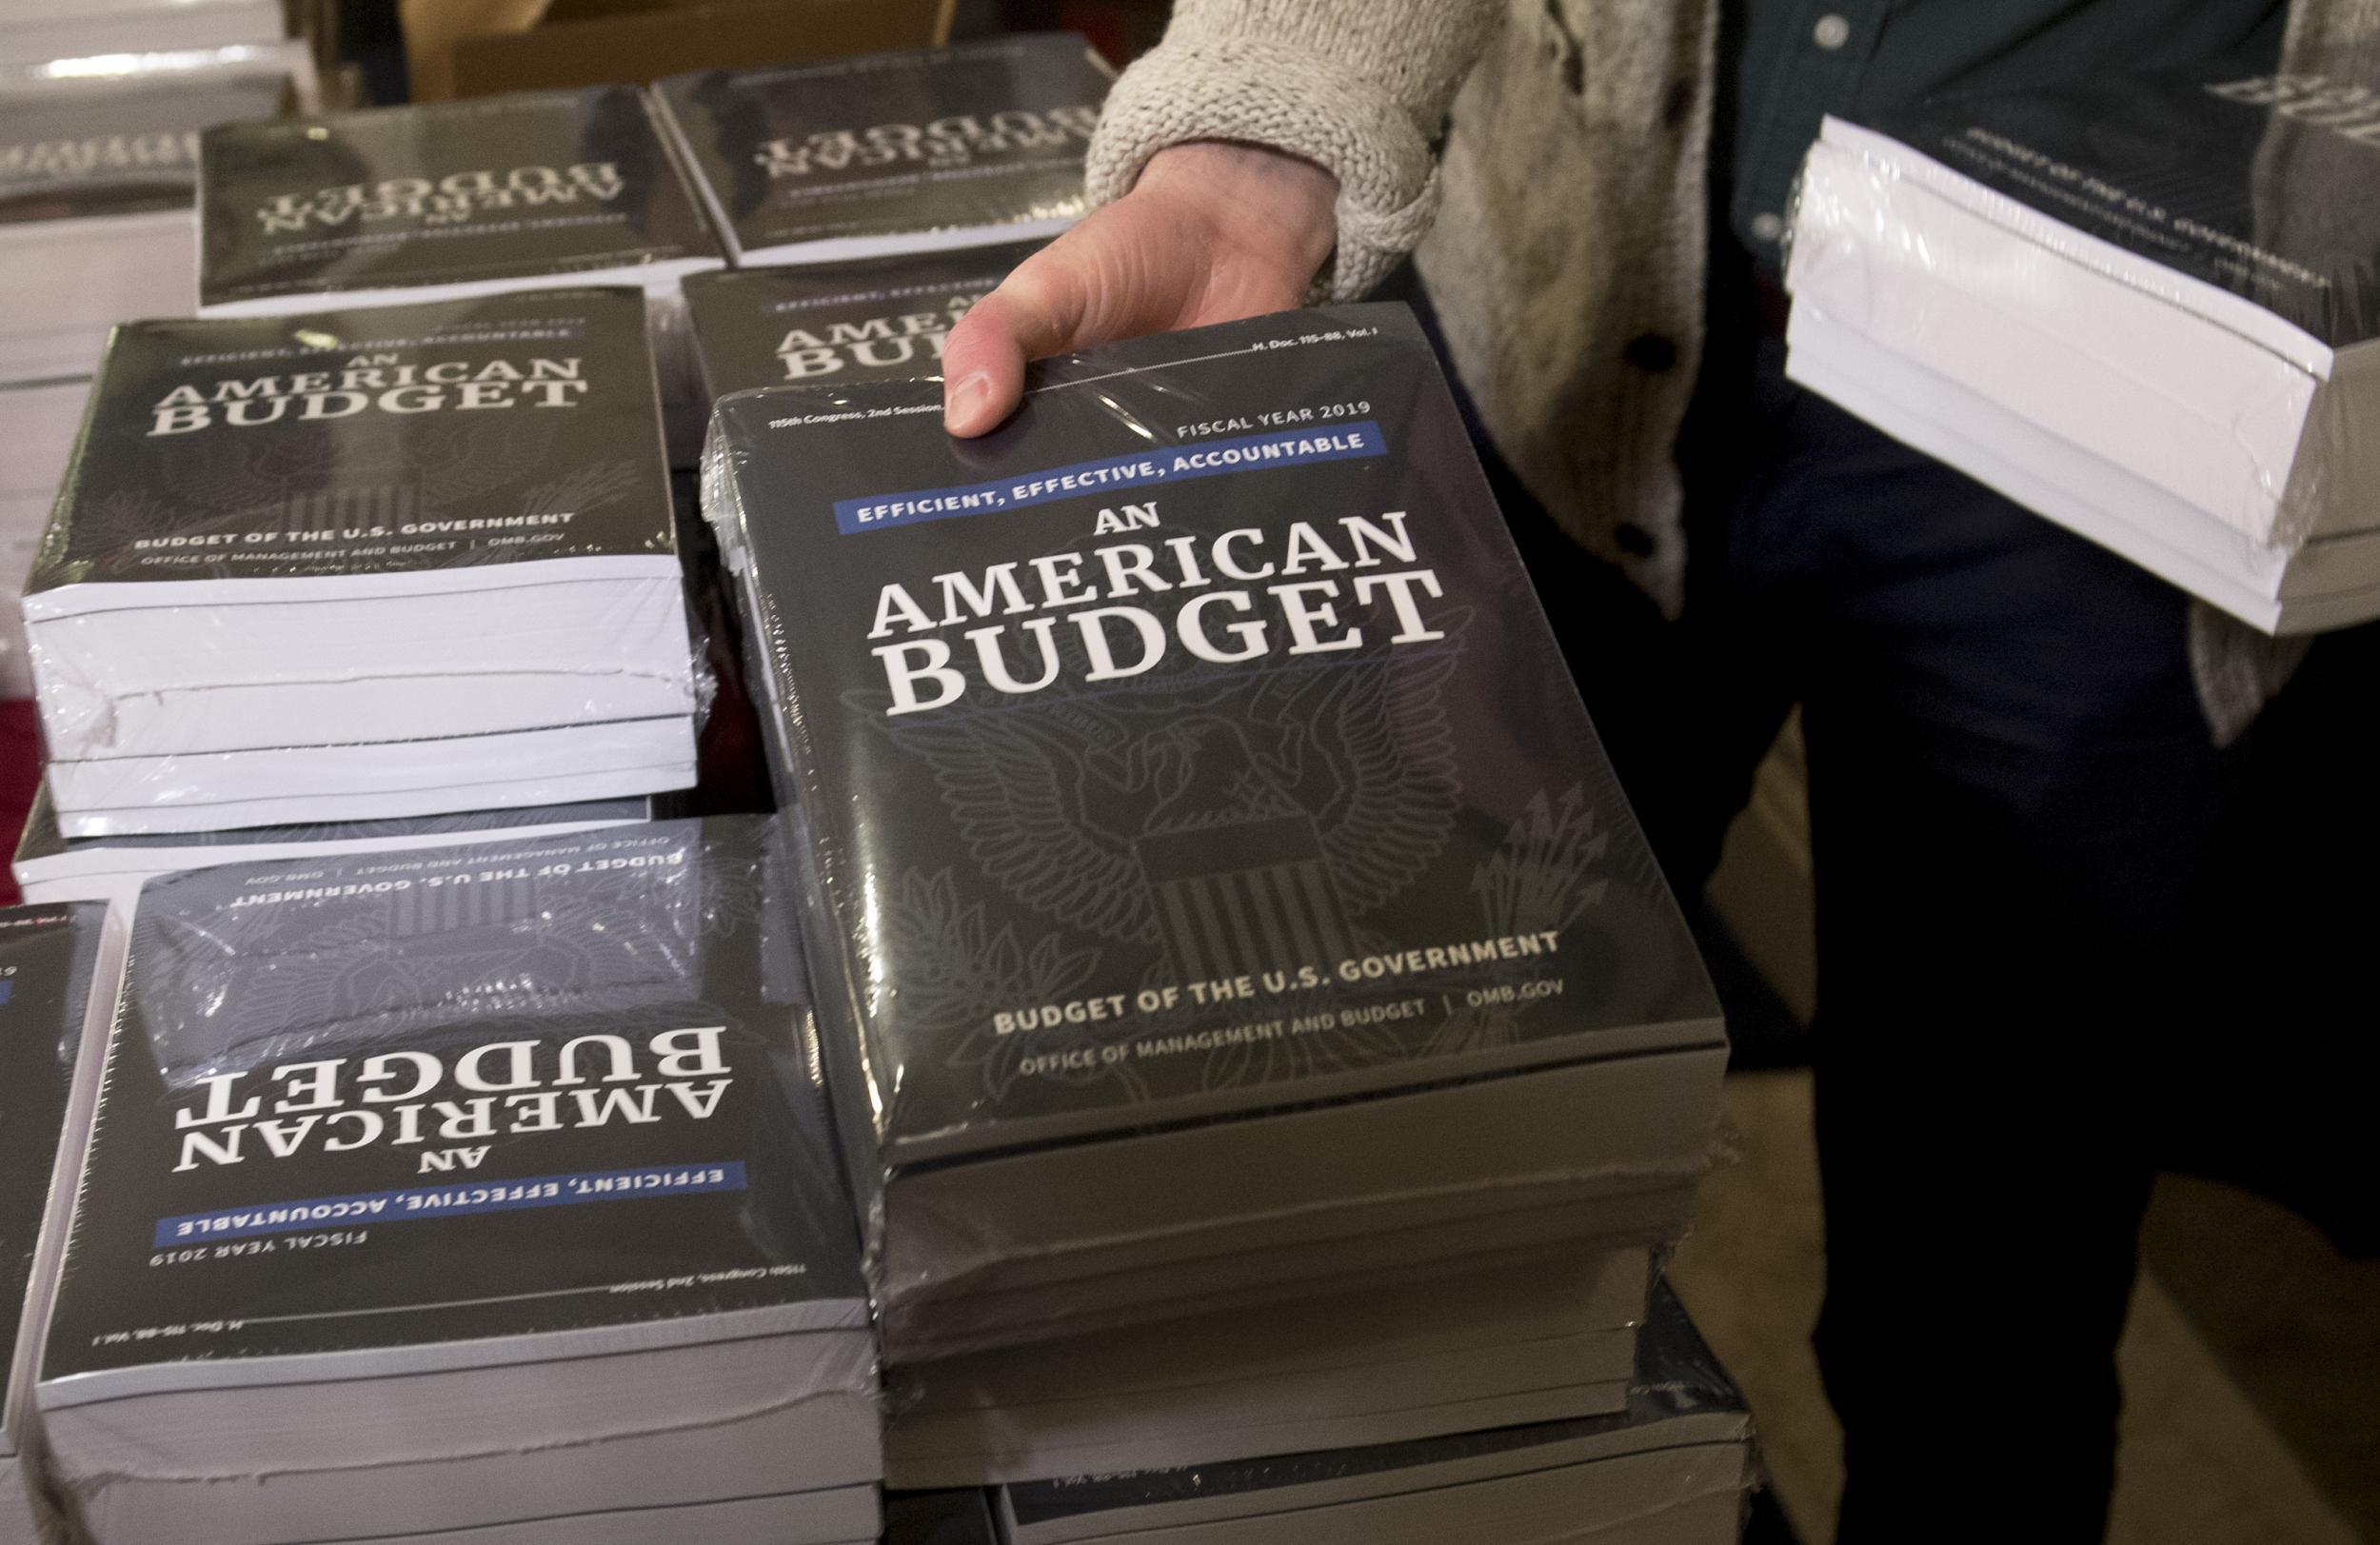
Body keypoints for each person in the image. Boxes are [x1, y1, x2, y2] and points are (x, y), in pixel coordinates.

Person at [938, 3, 2380, 1542]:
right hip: (1572, 335)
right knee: (1444, 1168)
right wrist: (1256, 141)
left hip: (2126, 441)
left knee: (1986, 1290)